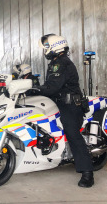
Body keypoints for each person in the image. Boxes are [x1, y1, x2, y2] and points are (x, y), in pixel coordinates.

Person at [37, 34, 94, 188]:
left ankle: (87, 172)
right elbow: (50, 85)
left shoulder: (62, 63)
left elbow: (52, 87)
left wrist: (34, 89)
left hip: (70, 105)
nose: (46, 51)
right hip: (59, 103)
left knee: (73, 134)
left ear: (56, 46)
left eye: (47, 47)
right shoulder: (55, 63)